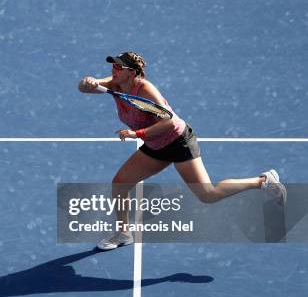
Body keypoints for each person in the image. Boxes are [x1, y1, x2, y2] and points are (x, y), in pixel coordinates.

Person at [78, 51, 286, 250]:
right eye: (113, 65)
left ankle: (262, 182)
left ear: (131, 73)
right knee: (121, 183)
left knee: (208, 195)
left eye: (118, 66)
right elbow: (84, 88)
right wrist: (89, 81)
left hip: (178, 143)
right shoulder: (115, 83)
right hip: (155, 146)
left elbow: (169, 122)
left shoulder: (145, 90)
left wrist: (137, 134)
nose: (114, 69)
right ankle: (124, 233)